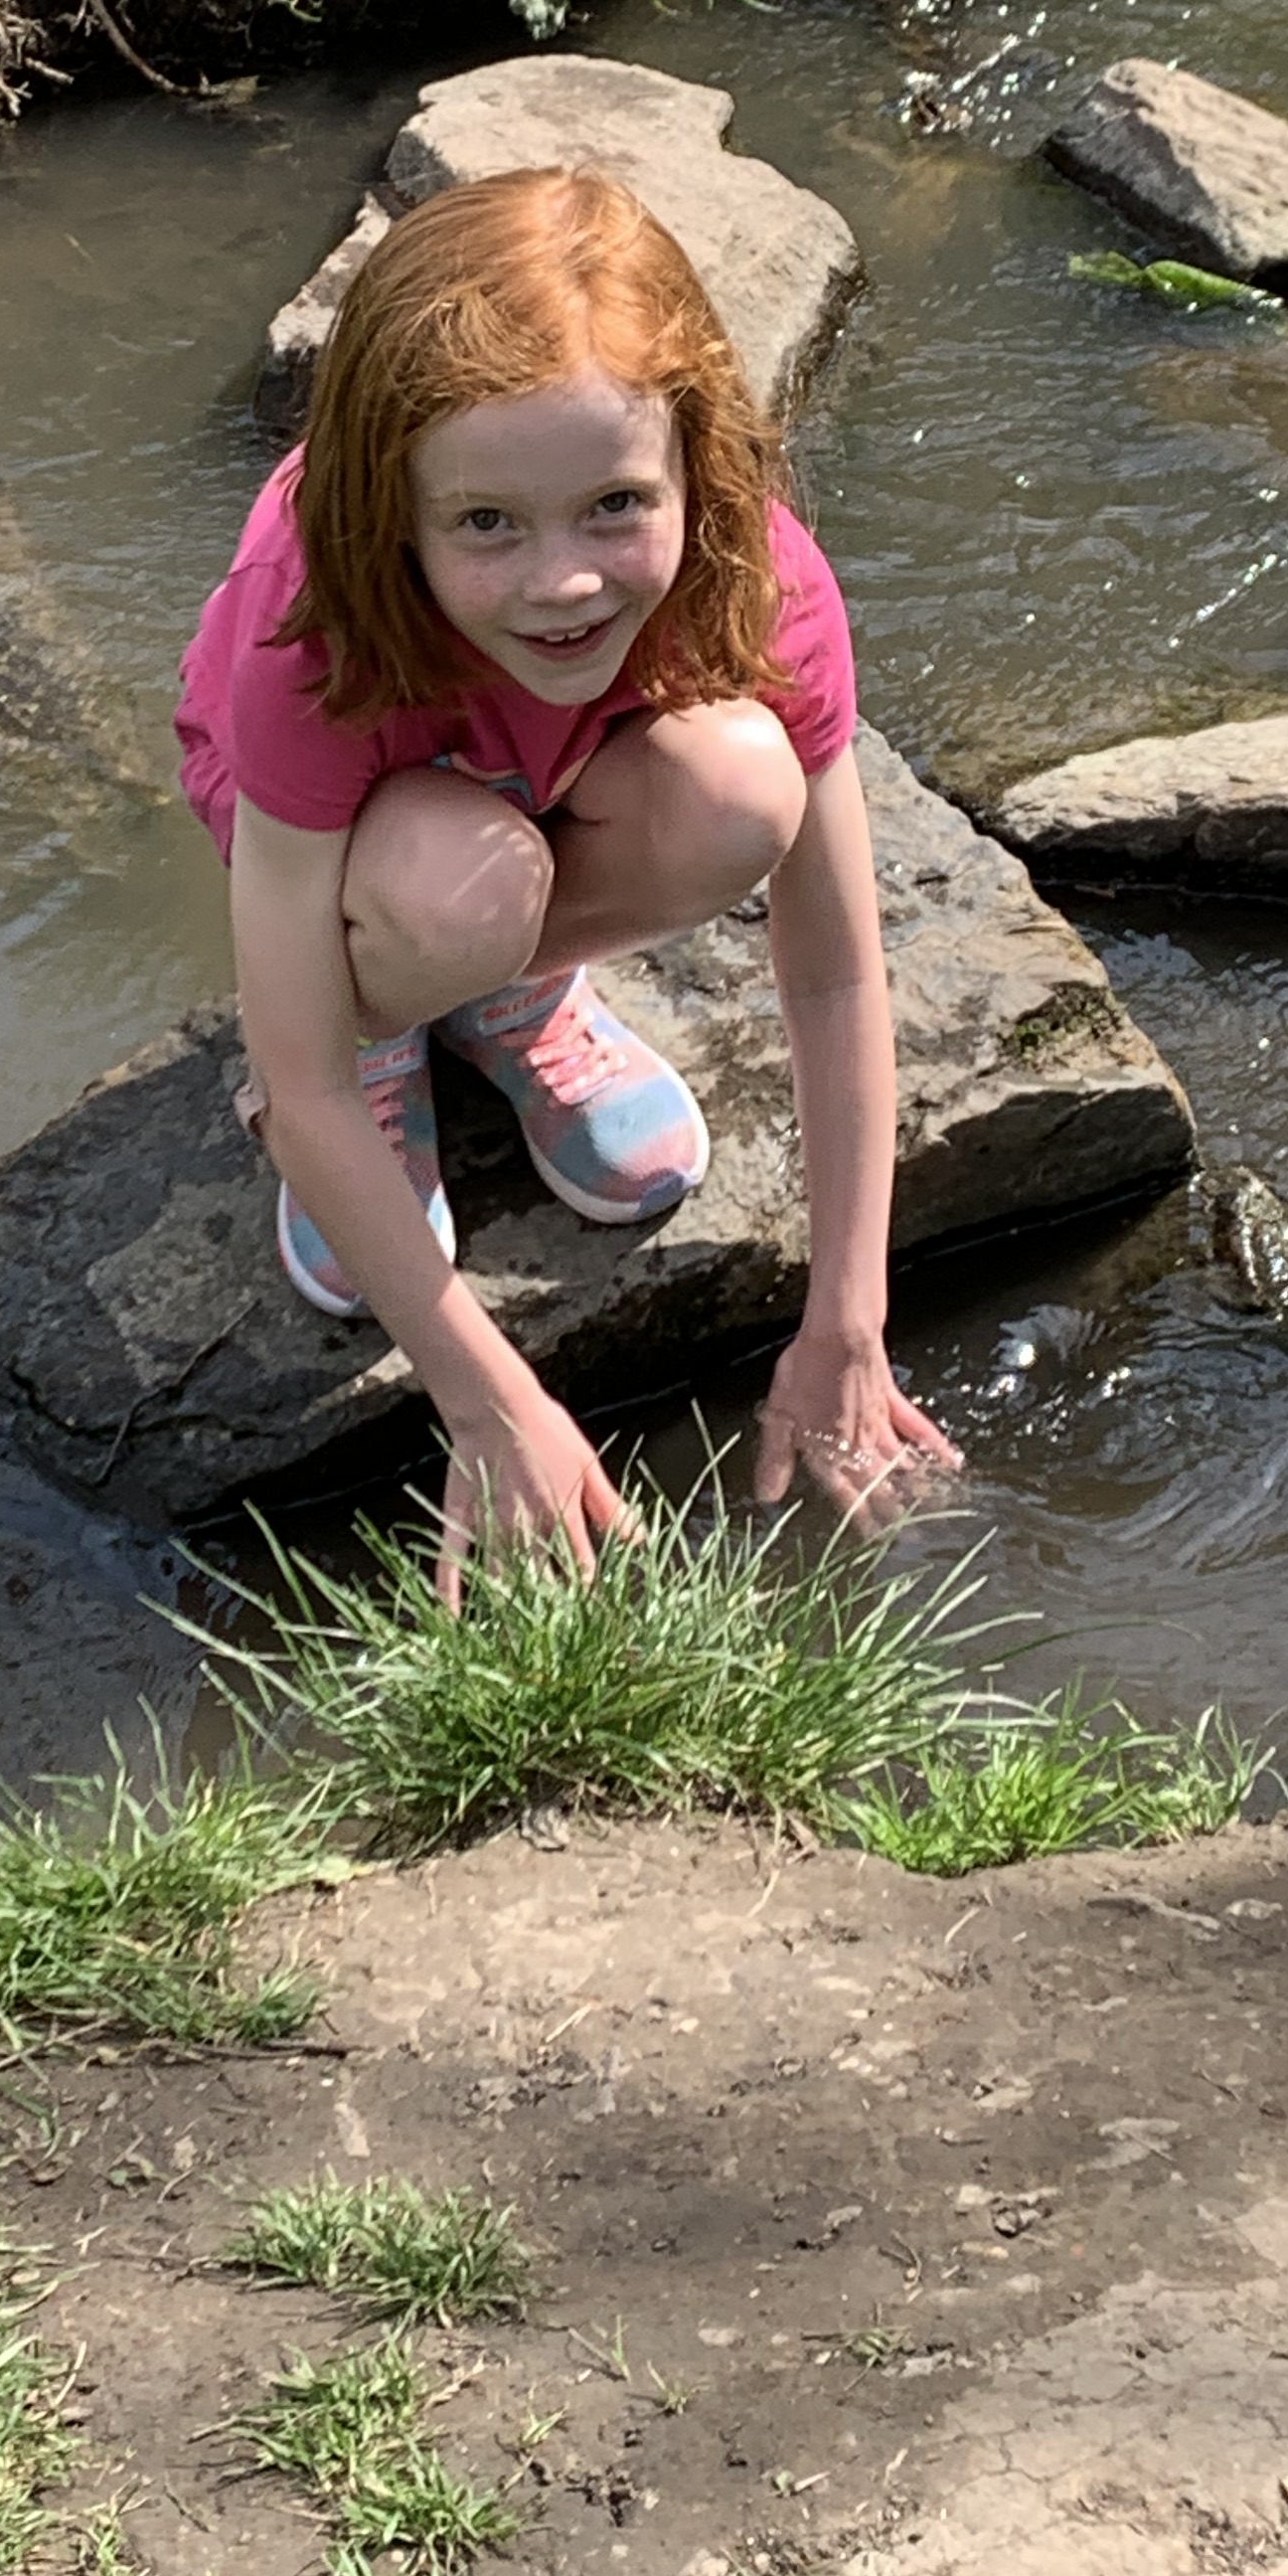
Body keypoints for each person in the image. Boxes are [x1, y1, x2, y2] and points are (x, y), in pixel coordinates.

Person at [175, 162, 959, 1591]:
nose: (565, 583)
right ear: (393, 511)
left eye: (614, 505)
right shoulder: (313, 624)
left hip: (560, 769)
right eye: (486, 523)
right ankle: (397, 1017)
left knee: (744, 792)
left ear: (696, 468)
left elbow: (837, 968)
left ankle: (512, 1000)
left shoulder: (762, 575)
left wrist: (849, 1320)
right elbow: (292, 1086)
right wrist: (490, 1403)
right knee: (459, 890)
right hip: (374, 841)